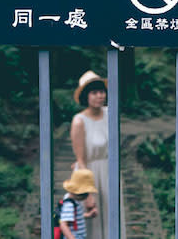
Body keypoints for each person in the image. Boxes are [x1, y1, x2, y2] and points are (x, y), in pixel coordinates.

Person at [70, 70, 125, 239]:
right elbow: (81, 160)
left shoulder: (111, 113)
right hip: (90, 173)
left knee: (113, 218)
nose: (100, 96)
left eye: (102, 92)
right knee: (93, 223)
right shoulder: (79, 121)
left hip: (110, 170)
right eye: (94, 92)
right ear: (86, 96)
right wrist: (87, 193)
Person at [58, 168, 99, 239]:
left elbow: (73, 217)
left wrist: (88, 215)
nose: (86, 196)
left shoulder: (73, 200)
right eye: (86, 193)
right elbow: (63, 225)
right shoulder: (69, 205)